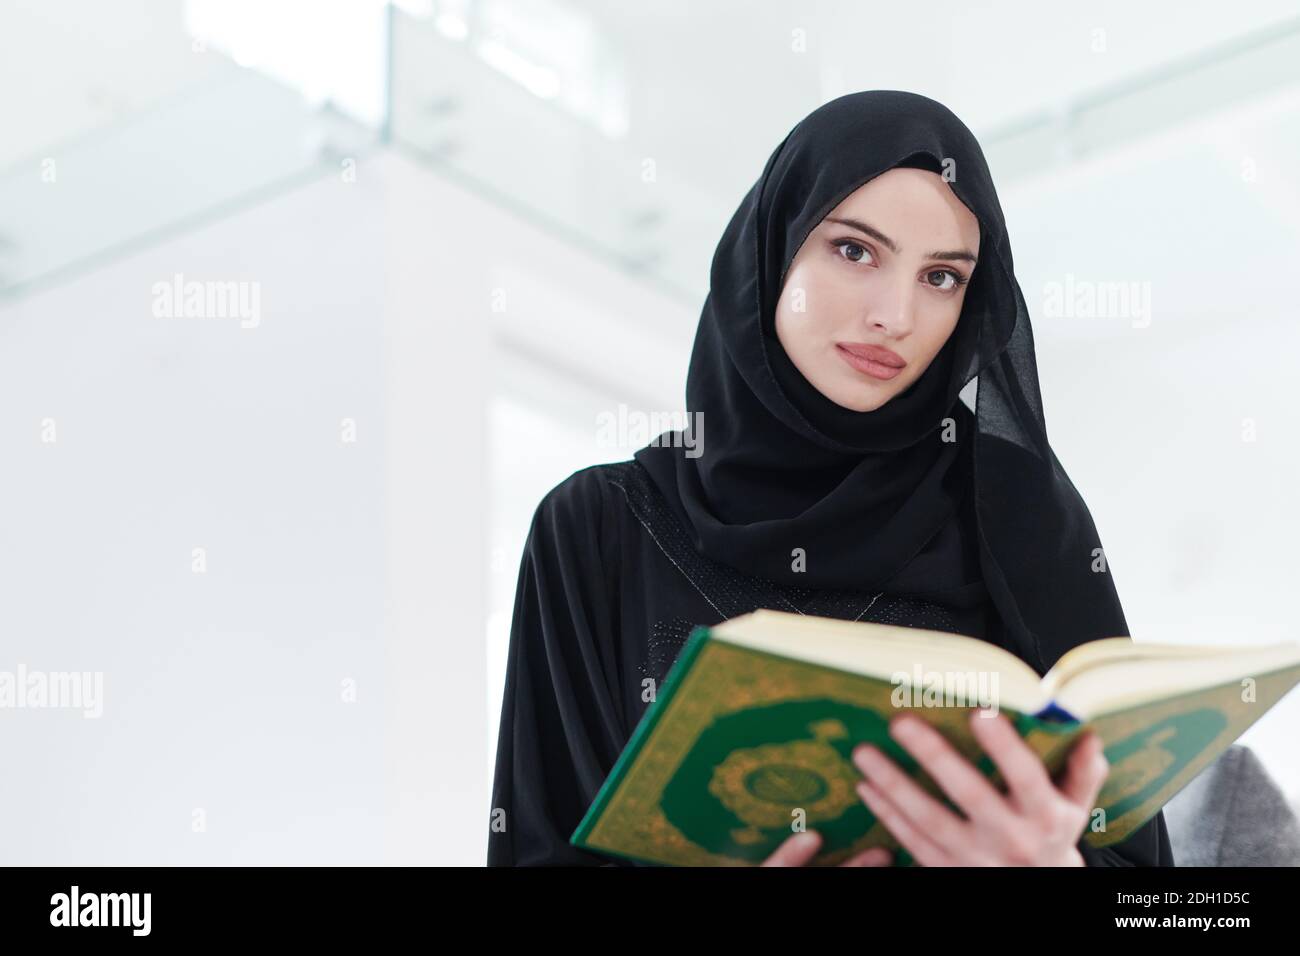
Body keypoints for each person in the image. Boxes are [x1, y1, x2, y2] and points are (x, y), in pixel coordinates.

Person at [487, 89, 1174, 867]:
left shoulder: (1019, 514)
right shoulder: (597, 527)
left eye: (942, 277)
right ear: (773, 250)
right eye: (855, 251)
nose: (896, 315)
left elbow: (1150, 887)